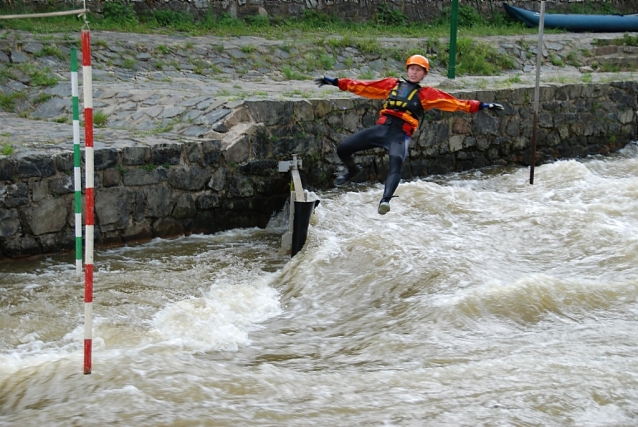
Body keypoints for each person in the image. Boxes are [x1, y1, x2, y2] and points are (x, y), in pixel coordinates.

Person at [315, 55, 504, 215]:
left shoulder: (427, 94)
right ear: (407, 70)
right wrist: (335, 82)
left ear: (424, 74)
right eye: (412, 69)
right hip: (381, 129)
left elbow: (456, 103)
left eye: (419, 70)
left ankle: (385, 200)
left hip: (400, 135)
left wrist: (483, 105)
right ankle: (352, 170)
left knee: (395, 163)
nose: (414, 72)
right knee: (343, 148)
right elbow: (363, 86)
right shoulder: (391, 85)